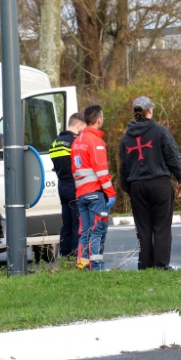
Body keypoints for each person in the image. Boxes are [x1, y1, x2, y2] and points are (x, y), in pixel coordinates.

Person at [119, 96, 181, 270]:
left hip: (137, 186)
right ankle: (161, 265)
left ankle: (145, 265)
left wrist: (128, 188)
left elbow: (123, 166)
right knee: (162, 226)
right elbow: (173, 156)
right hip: (159, 183)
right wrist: (180, 179)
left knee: (143, 227)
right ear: (149, 110)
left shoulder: (126, 138)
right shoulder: (160, 132)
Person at [71, 105, 116, 270]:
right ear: (99, 120)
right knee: (97, 230)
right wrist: (110, 193)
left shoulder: (77, 141)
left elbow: (76, 169)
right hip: (95, 193)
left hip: (81, 194)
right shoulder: (95, 141)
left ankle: (82, 264)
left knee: (85, 231)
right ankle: (95, 265)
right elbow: (101, 170)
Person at [49, 113, 86, 258]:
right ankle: (77, 255)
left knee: (66, 224)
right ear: (78, 126)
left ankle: (65, 255)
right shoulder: (74, 142)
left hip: (62, 186)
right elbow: (78, 166)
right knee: (77, 224)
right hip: (74, 186)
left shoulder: (56, 142)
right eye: (82, 128)